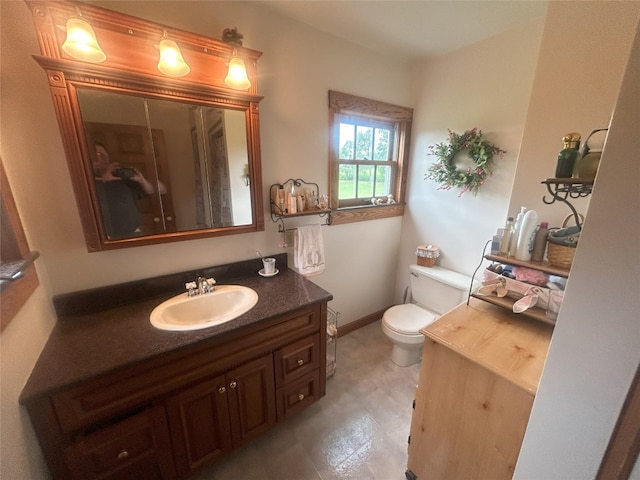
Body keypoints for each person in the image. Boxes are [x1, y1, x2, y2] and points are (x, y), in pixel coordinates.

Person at [92, 142, 164, 238]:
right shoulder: (85, 182)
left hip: (134, 232)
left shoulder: (121, 178)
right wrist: (104, 179)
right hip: (107, 237)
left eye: (105, 155)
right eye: (98, 155)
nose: (104, 159)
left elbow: (152, 191)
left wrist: (142, 180)